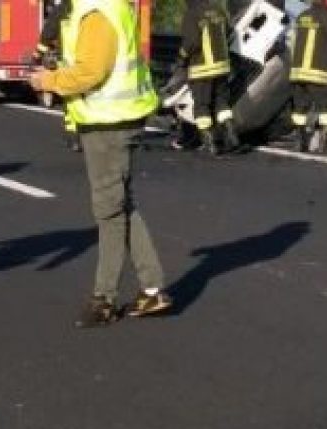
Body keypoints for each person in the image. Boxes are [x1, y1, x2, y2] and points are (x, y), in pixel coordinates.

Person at [29, 0, 172, 327]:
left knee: (108, 211)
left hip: (108, 125)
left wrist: (47, 81)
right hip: (121, 118)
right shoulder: (110, 6)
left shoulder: (96, 13)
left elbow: (90, 71)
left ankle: (103, 299)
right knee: (121, 204)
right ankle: (152, 288)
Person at [178, 0, 238, 154]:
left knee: (201, 105)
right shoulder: (218, 9)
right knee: (221, 102)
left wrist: (182, 58)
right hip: (222, 67)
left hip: (201, 68)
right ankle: (230, 132)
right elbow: (230, 32)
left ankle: (209, 142)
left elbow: (191, 42)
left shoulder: (192, 13)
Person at [289, 0, 327, 153]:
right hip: (320, 72)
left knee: (299, 108)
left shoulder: (302, 16)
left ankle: (299, 139)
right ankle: (326, 139)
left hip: (298, 72)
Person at [33, 0, 82, 151]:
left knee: (72, 101)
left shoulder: (63, 8)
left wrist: (37, 54)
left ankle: (74, 137)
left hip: (68, 64)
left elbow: (49, 32)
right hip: (90, 62)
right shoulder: (94, 8)